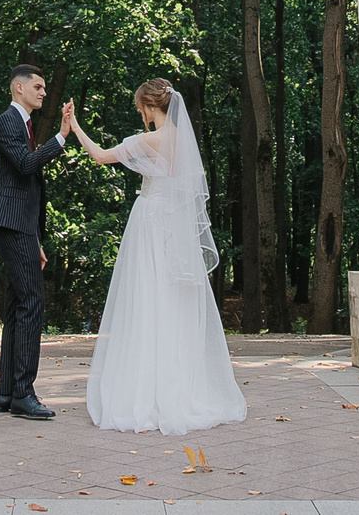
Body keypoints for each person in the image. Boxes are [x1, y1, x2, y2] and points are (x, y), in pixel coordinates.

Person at [61, 79, 246, 435]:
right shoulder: (182, 138)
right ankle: (181, 388)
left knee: (147, 298)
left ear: (149, 106)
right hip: (173, 227)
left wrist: (76, 127)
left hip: (149, 221)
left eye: (139, 108)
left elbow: (100, 156)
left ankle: (147, 394)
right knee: (172, 301)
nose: (139, 114)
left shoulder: (150, 139)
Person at [0, 62, 70, 419]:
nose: (44, 93)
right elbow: (24, 165)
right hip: (11, 222)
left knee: (18, 306)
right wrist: (61, 137)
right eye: (38, 87)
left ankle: (6, 393)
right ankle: (23, 393)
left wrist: (35, 238)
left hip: (19, 225)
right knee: (32, 302)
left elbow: (25, 182)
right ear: (18, 87)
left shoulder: (23, 124)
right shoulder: (8, 121)